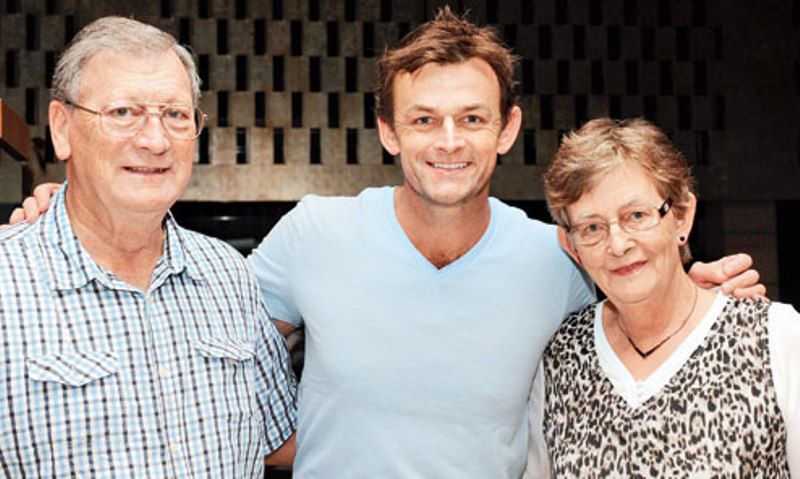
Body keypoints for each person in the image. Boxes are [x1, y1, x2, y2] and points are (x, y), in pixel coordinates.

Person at [8, 10, 762, 478]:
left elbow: (639, 297)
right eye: (424, 119)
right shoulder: (310, 234)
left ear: (507, 130)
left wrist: (702, 290)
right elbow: (237, 378)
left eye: (472, 119)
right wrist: (67, 211)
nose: (448, 141)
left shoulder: (555, 257)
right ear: (387, 131)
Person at [0, 17, 296, 478]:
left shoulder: (228, 275)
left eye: (176, 115)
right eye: (123, 112)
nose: (155, 141)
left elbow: (282, 440)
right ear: (62, 128)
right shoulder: (7, 280)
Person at [526, 118, 799, 476]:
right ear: (572, 246)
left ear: (682, 217)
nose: (619, 244)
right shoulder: (559, 359)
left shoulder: (775, 339)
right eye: (592, 227)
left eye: (637, 216)